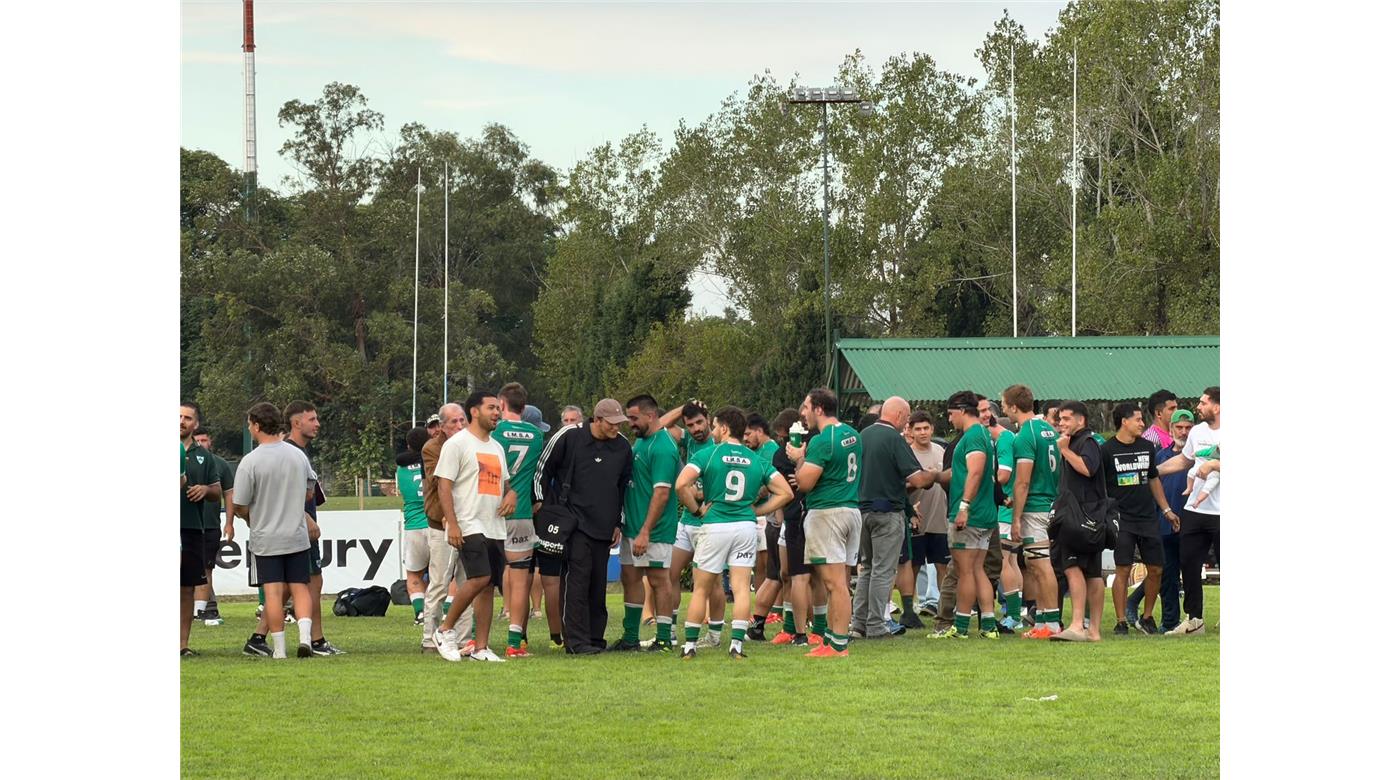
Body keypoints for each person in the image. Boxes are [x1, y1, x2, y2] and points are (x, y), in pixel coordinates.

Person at [675, 406, 794, 659]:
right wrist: (758, 511)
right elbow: (786, 492)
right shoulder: (757, 460)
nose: (713, 431)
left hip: (715, 524)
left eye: (715, 426)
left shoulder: (708, 454)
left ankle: (690, 647)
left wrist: (696, 511)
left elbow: (681, 484)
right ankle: (737, 646)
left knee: (701, 588)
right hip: (745, 527)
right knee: (741, 587)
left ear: (725, 428)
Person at [534, 399, 633, 655]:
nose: (615, 428)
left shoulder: (622, 446)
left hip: (604, 524)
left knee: (597, 586)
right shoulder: (569, 436)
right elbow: (543, 469)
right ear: (597, 420)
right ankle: (576, 642)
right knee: (576, 582)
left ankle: (595, 640)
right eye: (611, 424)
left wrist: (618, 522)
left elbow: (623, 487)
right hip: (573, 521)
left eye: (618, 423)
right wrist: (541, 501)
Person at [433, 391, 517, 662]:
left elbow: (505, 484)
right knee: (479, 577)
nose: (497, 413)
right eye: (491, 407)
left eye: (499, 408)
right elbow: (443, 485)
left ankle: (480, 647)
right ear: (474, 412)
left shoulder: (496, 447)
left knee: (488, 585)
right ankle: (444, 630)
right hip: (468, 523)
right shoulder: (456, 444)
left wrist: (512, 495)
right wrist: (453, 524)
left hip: (494, 525)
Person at [232, 402, 316, 659]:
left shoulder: (250, 461)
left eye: (249, 425)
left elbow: (239, 505)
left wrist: (253, 516)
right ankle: (305, 640)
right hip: (296, 535)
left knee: (273, 593)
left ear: (256, 426)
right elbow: (310, 491)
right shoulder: (297, 455)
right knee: (300, 588)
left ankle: (279, 650)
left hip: (266, 538)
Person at [852, 397, 937, 639]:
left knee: (867, 568)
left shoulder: (863, 435)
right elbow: (918, 479)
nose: (907, 425)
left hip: (861, 511)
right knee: (883, 570)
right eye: (907, 419)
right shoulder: (894, 439)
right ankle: (877, 624)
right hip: (887, 512)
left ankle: (859, 624)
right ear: (899, 416)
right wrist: (933, 475)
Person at [787, 387, 862, 657]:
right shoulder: (852, 434)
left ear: (819, 408)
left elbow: (805, 483)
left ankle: (839, 644)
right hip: (851, 510)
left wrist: (799, 459)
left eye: (806, 407)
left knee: (835, 583)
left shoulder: (822, 439)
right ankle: (831, 639)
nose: (803, 413)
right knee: (840, 580)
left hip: (828, 513)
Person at [925, 391, 999, 640]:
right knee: (977, 570)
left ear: (962, 410)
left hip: (972, 513)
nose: (949, 419)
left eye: (950, 413)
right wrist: (935, 476)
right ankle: (988, 625)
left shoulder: (974, 435)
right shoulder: (981, 435)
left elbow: (975, 472)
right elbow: (961, 472)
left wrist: (964, 507)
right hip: (984, 512)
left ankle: (962, 626)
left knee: (965, 571)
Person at [1100, 403, 1179, 636]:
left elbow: (1153, 479)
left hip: (1147, 517)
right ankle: (1121, 620)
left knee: (1156, 568)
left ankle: (1147, 617)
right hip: (1121, 518)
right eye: (1137, 419)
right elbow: (1101, 485)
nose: (1142, 424)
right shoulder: (1107, 450)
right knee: (1123, 568)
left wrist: (1166, 510)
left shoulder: (1147, 447)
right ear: (1124, 421)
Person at [615, 394, 682, 652]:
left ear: (650, 416)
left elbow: (662, 492)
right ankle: (631, 637)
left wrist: (645, 531)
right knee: (629, 577)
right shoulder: (643, 441)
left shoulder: (663, 447)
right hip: (632, 526)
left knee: (658, 580)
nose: (630, 423)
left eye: (633, 418)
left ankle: (664, 638)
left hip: (653, 529)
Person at [1156, 387, 1220, 636]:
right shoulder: (1198, 432)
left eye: (1203, 403)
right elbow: (1184, 460)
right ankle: (1194, 620)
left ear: (1217, 406)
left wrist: (1216, 463)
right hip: (1195, 508)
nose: (1198, 406)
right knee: (1189, 563)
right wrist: (1154, 471)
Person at [1000, 385, 1063, 639]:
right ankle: (1042, 622)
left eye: (1004, 404)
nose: (1003, 409)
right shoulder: (1047, 429)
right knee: (1035, 564)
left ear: (1014, 406)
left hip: (1035, 506)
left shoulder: (1025, 434)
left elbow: (1023, 481)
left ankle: (1052, 623)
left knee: (1041, 564)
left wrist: (1015, 517)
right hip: (1048, 501)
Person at [283, 401, 343, 656]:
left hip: (298, 527)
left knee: (293, 585)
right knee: (310, 583)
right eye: (312, 419)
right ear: (296, 423)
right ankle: (315, 641)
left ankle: (259, 637)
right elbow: (285, 493)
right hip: (296, 529)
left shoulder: (297, 452)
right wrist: (306, 518)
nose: (317, 424)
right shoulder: (289, 452)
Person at [492, 382, 547, 658]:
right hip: (523, 512)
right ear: (523, 408)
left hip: (492, 512)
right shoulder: (537, 435)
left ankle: (471, 638)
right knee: (520, 578)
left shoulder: (494, 433)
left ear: (501, 404)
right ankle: (515, 643)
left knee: (477, 576)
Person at [1127, 409, 1195, 632]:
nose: (1183, 432)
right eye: (1179, 428)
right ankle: (1169, 622)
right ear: (1171, 428)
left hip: (1193, 524)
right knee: (1167, 577)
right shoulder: (1159, 457)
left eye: (1188, 428)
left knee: (1192, 574)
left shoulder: (1199, 457)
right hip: (1164, 524)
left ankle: (1194, 618)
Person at [667, 401, 727, 648]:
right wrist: (683, 408)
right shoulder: (689, 441)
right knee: (669, 573)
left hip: (709, 522)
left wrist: (701, 494)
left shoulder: (718, 445)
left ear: (708, 419)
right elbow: (660, 426)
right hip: (687, 520)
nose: (695, 429)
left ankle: (714, 635)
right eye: (690, 425)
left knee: (712, 581)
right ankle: (667, 630)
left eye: (700, 422)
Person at [1049, 400, 1108, 642]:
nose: (1060, 423)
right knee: (1091, 572)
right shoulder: (1076, 442)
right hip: (1085, 515)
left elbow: (1088, 468)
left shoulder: (1087, 442)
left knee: (1074, 568)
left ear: (1080, 420)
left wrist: (1064, 450)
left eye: (1065, 419)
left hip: (1080, 516)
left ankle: (1078, 625)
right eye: (1059, 419)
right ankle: (1092, 630)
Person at [420, 403, 473, 655]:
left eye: (462, 420)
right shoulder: (432, 448)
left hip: (469, 522)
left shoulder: (472, 443)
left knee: (468, 583)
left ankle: (463, 639)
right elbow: (441, 482)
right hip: (440, 523)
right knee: (439, 583)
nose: (459, 426)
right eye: (453, 422)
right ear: (440, 427)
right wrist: (448, 518)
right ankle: (430, 639)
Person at [770, 408, 824, 648]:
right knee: (818, 576)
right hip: (814, 515)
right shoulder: (820, 444)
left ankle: (802, 633)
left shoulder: (784, 454)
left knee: (799, 577)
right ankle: (813, 630)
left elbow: (784, 486)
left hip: (798, 517)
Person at [180, 403, 223, 656]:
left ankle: (182, 645)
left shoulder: (204, 456)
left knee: (186, 587)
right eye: (178, 417)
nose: (181, 421)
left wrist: (206, 490)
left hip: (191, 528)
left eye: (187, 418)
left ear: (195, 424)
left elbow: (217, 490)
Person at [981, 397, 1024, 633]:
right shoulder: (1007, 439)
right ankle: (1016, 611)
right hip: (1010, 508)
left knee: (1005, 561)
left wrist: (980, 480)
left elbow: (1005, 475)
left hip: (1005, 510)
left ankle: (1013, 613)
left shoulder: (1005, 440)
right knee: (1013, 560)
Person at [745, 413, 786, 639]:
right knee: (782, 573)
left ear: (760, 431)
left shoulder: (771, 451)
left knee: (773, 571)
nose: (746, 439)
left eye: (748, 434)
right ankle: (796, 625)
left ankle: (766, 620)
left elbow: (769, 485)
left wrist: (752, 502)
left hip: (767, 517)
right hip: (772, 518)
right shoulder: (760, 452)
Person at [192, 427, 235, 627]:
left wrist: (229, 522)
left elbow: (229, 493)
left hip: (210, 525)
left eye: (205, 440)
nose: (201, 443)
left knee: (206, 568)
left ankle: (205, 610)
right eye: (198, 440)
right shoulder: (185, 459)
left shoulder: (221, 464)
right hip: (187, 524)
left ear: (211, 442)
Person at [907, 411, 948, 616]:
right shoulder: (907, 453)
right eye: (918, 429)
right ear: (911, 431)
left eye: (926, 428)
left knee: (942, 564)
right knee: (913, 565)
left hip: (940, 518)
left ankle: (944, 607)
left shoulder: (941, 450)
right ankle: (910, 608)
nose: (923, 432)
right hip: (916, 518)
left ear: (932, 428)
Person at [395, 426, 431, 625]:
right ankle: (443, 610)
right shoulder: (434, 461)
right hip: (434, 523)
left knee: (413, 574)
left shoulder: (400, 468)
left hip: (413, 525)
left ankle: (420, 613)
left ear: (408, 445)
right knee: (446, 574)